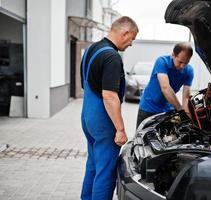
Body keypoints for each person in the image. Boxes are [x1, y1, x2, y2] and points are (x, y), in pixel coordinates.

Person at [80, 16, 138, 200]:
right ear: (125, 32)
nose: (131, 44)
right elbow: (109, 95)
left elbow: (86, 84)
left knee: (94, 164)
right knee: (106, 171)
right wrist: (120, 129)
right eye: (132, 38)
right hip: (103, 120)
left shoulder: (91, 49)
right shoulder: (111, 57)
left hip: (87, 116)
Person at [136, 42, 194, 128]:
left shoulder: (189, 71)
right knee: (141, 138)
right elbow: (165, 88)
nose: (182, 66)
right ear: (173, 55)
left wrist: (187, 115)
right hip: (148, 108)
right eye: (180, 62)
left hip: (168, 110)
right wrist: (180, 110)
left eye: (186, 63)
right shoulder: (162, 62)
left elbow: (186, 97)